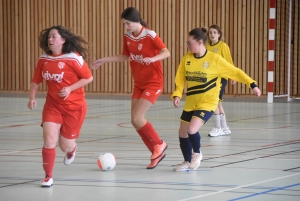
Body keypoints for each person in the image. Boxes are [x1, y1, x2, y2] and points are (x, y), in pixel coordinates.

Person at [171, 27, 261, 172]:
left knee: (192, 129)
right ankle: (187, 162)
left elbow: (235, 71)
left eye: (189, 43)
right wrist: (177, 94)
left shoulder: (215, 59)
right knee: (182, 132)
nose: (187, 46)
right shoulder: (187, 58)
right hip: (191, 102)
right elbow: (180, 78)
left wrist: (252, 84)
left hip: (208, 102)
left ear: (200, 42)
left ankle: (197, 153)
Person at [92, 7, 170, 169]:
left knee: (137, 118)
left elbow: (166, 52)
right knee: (134, 121)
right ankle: (156, 151)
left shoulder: (150, 35)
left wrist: (153, 59)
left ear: (136, 21)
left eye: (128, 23)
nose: (126, 26)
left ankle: (159, 144)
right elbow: (126, 56)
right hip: (139, 83)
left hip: (153, 82)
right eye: (124, 24)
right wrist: (105, 60)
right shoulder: (127, 36)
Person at [28, 25, 93, 187]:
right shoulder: (44, 59)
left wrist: (70, 88)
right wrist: (32, 98)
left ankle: (72, 148)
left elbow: (88, 78)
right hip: (53, 105)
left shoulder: (74, 58)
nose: (50, 39)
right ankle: (48, 176)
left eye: (54, 36)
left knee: (64, 146)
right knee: (49, 140)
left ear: (63, 40)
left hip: (75, 107)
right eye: (49, 36)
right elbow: (36, 81)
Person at [206, 24, 236, 137]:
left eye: (214, 32)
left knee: (214, 102)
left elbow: (229, 62)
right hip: (211, 78)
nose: (212, 34)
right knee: (218, 103)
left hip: (221, 77)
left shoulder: (223, 46)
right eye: (210, 32)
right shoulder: (207, 46)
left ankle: (218, 128)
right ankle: (225, 127)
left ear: (219, 34)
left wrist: (232, 76)